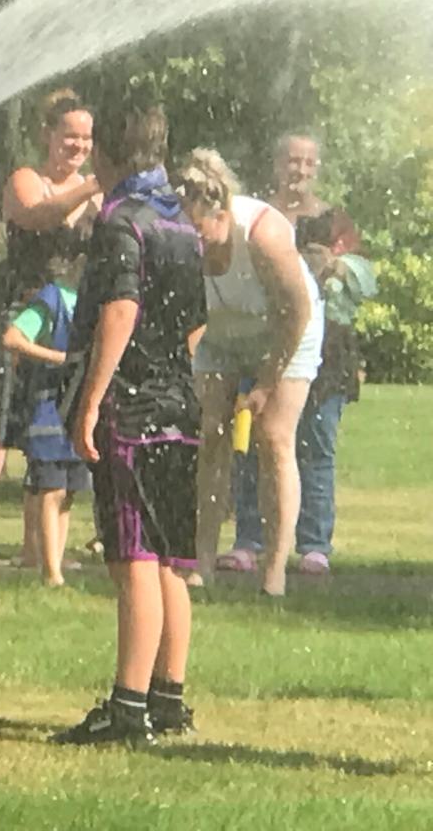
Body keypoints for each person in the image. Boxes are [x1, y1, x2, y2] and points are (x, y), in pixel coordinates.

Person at [54, 98, 205, 746]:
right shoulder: (183, 223)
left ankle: (128, 708)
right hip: (179, 404)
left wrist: (92, 399)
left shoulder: (121, 221)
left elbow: (120, 309)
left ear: (108, 155)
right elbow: (195, 323)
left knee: (135, 557)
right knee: (169, 559)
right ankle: (169, 698)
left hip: (133, 410)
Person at [0, 89, 99, 563]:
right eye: (69, 136)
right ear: (47, 136)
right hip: (23, 315)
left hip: (72, 322)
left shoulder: (96, 196)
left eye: (86, 138)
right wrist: (94, 186)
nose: (77, 146)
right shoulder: (26, 179)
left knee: (58, 440)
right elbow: (38, 217)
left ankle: (39, 550)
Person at [178, 148, 320, 597]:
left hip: (286, 330)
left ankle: (274, 572)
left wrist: (265, 382)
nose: (194, 244)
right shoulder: (183, 230)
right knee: (210, 435)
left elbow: (295, 312)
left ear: (220, 209)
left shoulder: (263, 234)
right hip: (223, 329)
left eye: (199, 231)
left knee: (273, 437)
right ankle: (200, 560)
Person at [264, 132, 371, 575]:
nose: (300, 171)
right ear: (276, 164)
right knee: (258, 443)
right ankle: (254, 539)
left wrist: (338, 264)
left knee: (317, 446)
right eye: (292, 161)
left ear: (318, 169)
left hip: (328, 349)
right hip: (267, 342)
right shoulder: (263, 215)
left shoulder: (334, 220)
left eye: (308, 163)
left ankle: (313, 545)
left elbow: (367, 280)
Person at [1, 251, 87, 587]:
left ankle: (54, 562)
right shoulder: (53, 298)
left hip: (78, 405)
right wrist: (58, 358)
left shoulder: (96, 299)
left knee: (68, 493)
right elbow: (13, 337)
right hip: (50, 405)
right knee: (51, 489)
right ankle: (51, 573)